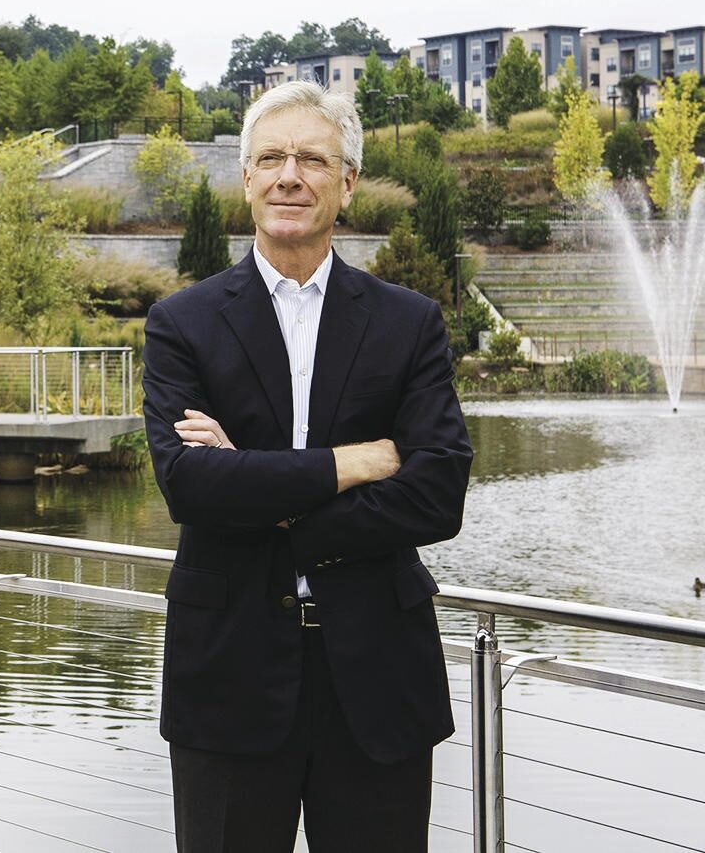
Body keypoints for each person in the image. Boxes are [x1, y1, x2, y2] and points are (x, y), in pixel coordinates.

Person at [140, 79, 472, 853]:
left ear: (346, 183)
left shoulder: (408, 323)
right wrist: (352, 463)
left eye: (312, 160)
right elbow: (190, 486)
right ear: (246, 179)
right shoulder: (181, 324)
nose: (289, 176)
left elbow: (436, 494)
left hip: (377, 677)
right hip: (227, 674)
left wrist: (259, 493)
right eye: (271, 158)